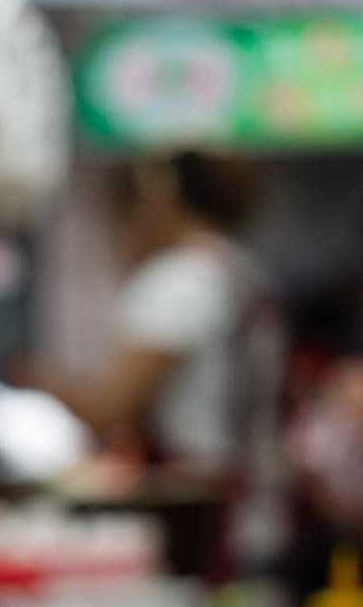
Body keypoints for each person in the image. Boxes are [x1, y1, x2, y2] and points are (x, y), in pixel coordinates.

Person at [24, 150, 286, 576]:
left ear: (162, 199)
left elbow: (111, 408)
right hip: (254, 500)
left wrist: (33, 379)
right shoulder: (242, 270)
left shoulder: (179, 281)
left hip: (200, 510)